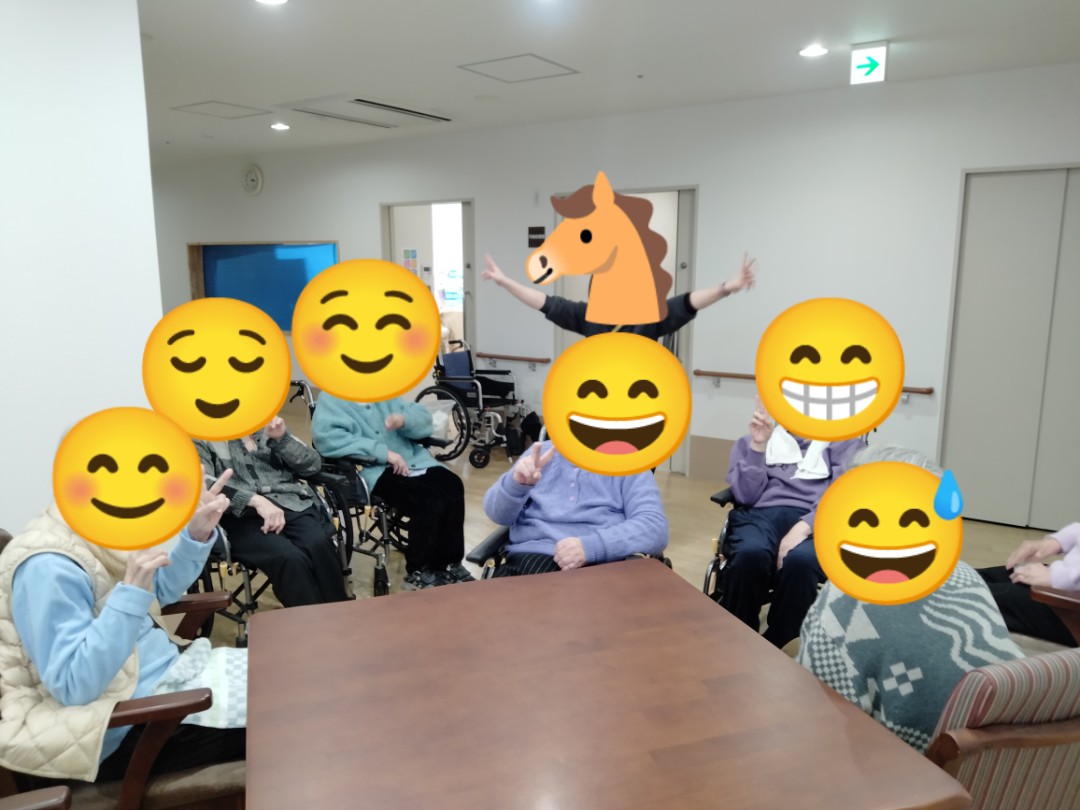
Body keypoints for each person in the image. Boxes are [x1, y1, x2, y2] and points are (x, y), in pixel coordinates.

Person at [0, 473, 246, 783]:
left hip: (167, 678)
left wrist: (196, 537)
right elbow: (72, 685)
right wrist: (130, 594)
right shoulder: (47, 567)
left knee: (281, 678)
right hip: (125, 723)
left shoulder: (95, 530)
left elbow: (158, 592)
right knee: (281, 716)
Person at [797, 445, 1024, 753]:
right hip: (1015, 749)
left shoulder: (845, 598)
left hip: (918, 765)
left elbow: (815, 710)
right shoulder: (965, 574)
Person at [719, 398, 863, 647]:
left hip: (820, 519)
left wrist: (805, 526)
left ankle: (783, 645)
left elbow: (844, 495)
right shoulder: (751, 441)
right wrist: (758, 446)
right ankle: (737, 640)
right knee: (750, 555)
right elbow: (745, 496)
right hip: (760, 516)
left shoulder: (846, 444)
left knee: (801, 562)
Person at [312, 392, 473, 590]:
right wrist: (383, 453)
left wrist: (404, 420)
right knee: (427, 498)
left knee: (452, 484)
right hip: (373, 469)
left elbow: (423, 420)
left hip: (413, 460)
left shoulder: (383, 391)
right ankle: (419, 570)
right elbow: (326, 439)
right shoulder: (332, 398)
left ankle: (449, 563)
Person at [195, 415, 349, 607]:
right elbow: (203, 483)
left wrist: (281, 439)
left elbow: (312, 466)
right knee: (289, 558)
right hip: (239, 515)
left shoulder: (265, 424)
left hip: (290, 502)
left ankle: (340, 613)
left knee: (319, 544)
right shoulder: (201, 436)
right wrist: (253, 500)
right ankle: (312, 623)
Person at [482, 441, 668, 575]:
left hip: (600, 566)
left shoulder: (629, 462)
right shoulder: (540, 453)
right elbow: (497, 514)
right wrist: (516, 485)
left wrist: (592, 546)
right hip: (528, 562)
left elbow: (654, 527)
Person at [480, 252, 755, 339]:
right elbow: (544, 303)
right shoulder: (586, 315)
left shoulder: (649, 317)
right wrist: (505, 282)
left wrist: (725, 288)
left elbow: (688, 302)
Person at [978, 524, 1080, 647]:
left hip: (1071, 606)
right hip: (1067, 579)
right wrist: (1056, 542)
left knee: (975, 597)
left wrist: (1056, 578)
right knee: (979, 577)